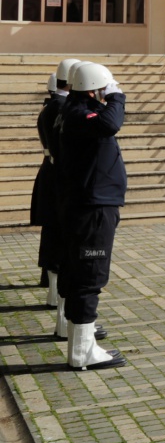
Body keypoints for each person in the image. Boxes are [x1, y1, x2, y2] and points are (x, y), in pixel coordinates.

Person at [54, 61, 128, 371]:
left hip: (88, 204)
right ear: (96, 89)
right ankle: (82, 352)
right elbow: (109, 124)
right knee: (88, 275)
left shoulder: (75, 110)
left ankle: (80, 342)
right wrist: (117, 96)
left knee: (80, 274)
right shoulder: (80, 114)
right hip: (92, 208)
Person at [36, 57, 79, 310]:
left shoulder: (54, 105)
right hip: (60, 176)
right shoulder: (63, 108)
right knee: (60, 239)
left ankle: (53, 292)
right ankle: (59, 300)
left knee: (53, 236)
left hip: (51, 172)